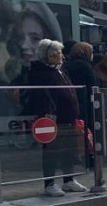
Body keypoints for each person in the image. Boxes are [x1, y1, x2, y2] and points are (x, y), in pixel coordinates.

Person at [25, 40, 87, 196]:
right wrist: (48, 113)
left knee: (69, 149)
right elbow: (41, 96)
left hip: (68, 116)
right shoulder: (40, 72)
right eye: (56, 54)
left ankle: (68, 180)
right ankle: (49, 183)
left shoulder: (61, 70)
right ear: (48, 56)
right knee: (51, 151)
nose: (60, 56)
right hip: (51, 118)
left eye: (60, 53)